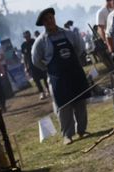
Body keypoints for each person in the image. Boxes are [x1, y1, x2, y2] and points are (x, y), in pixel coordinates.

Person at [32, 7, 91, 145]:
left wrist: (73, 61)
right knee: (64, 106)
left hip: (74, 72)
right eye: (46, 19)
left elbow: (80, 47)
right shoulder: (41, 41)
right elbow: (36, 60)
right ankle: (67, 135)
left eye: (51, 17)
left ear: (54, 18)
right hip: (57, 77)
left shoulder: (69, 34)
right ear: (43, 23)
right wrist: (49, 68)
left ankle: (82, 130)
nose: (50, 21)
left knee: (80, 102)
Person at [21, 30, 49, 100]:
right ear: (24, 37)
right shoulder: (23, 45)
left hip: (38, 62)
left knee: (44, 76)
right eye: (25, 36)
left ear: (30, 35)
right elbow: (24, 56)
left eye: (28, 36)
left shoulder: (34, 41)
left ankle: (48, 89)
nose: (27, 37)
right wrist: (25, 66)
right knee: (36, 80)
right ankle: (42, 92)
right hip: (31, 65)